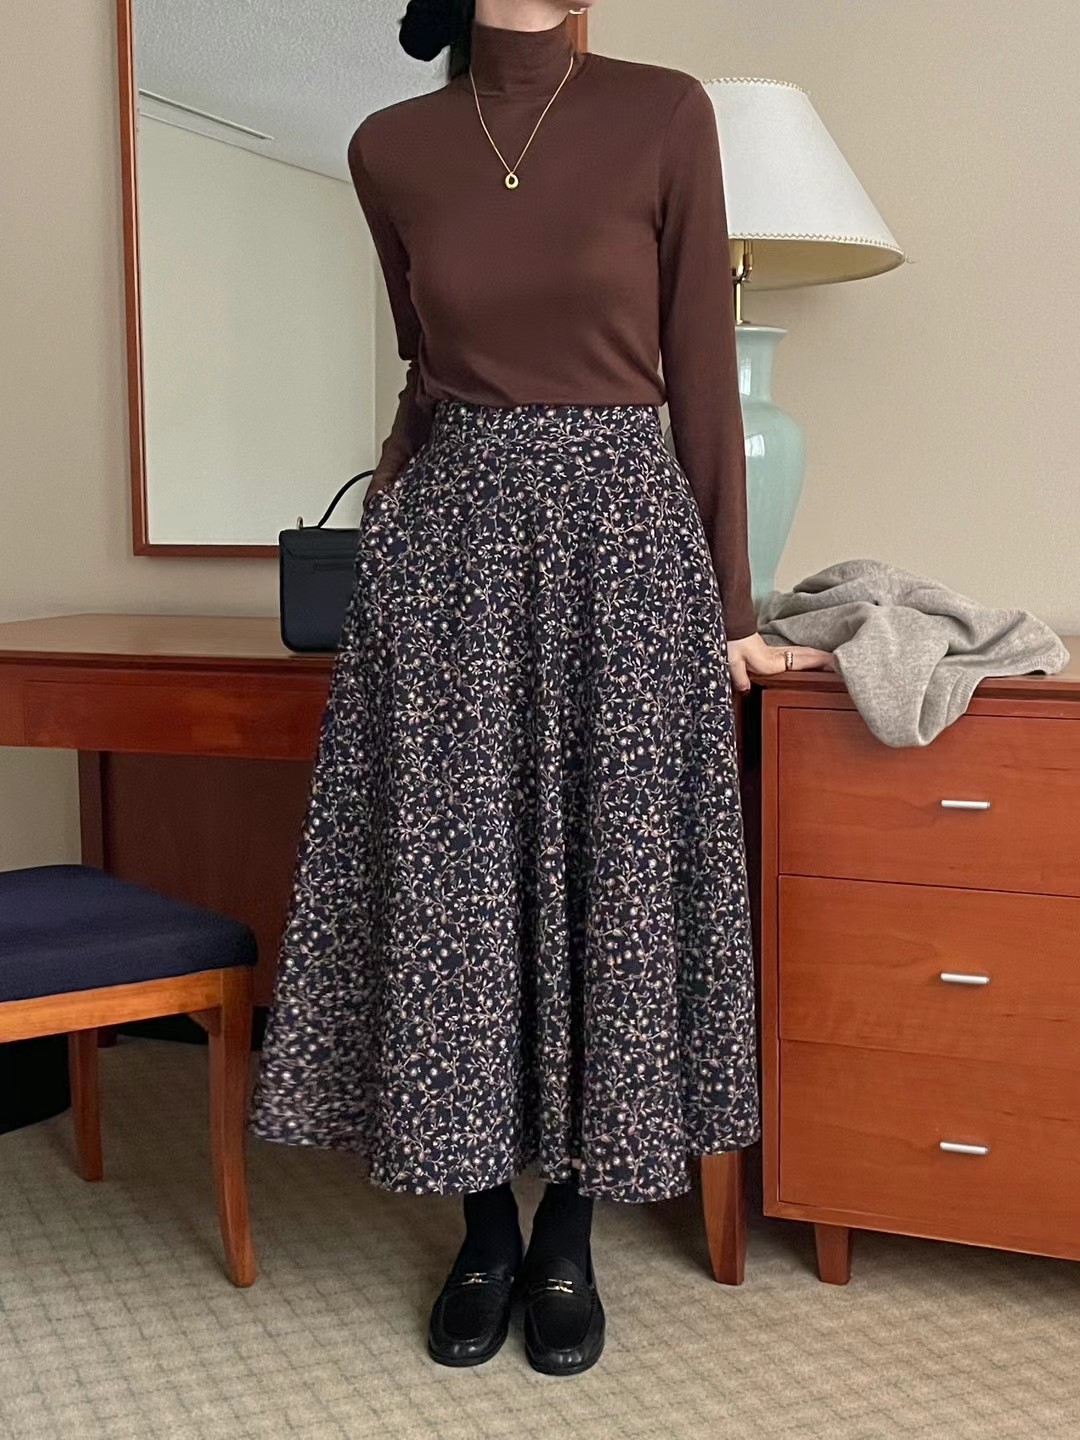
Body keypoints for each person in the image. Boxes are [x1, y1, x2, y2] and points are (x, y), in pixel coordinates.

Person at [252, 0, 826, 1378]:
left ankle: (570, 1229)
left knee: (608, 884)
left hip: (625, 546)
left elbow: (699, 366)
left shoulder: (664, 112)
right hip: (446, 559)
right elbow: (425, 372)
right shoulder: (389, 146)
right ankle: (483, 1232)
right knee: (451, 897)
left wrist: (732, 615)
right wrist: (390, 529)